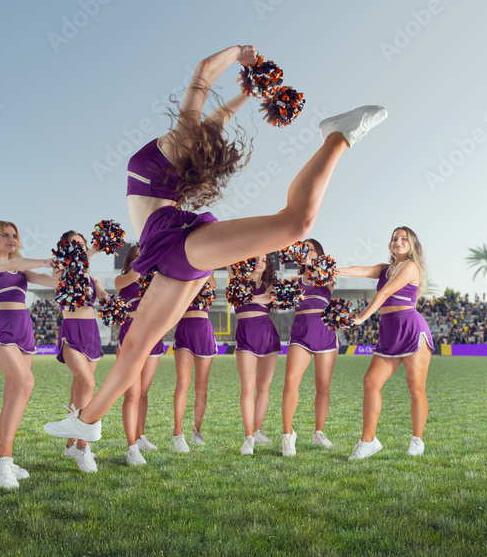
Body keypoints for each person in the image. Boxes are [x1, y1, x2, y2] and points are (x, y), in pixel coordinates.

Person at [44, 44, 387, 443]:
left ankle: (338, 135)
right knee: (137, 343)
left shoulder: (178, 144)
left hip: (176, 241)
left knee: (296, 223)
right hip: (171, 244)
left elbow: (208, 84)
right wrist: (244, 61)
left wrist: (245, 70)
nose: (209, 132)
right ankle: (87, 420)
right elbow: (205, 75)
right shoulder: (182, 137)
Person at [340, 226, 434, 459]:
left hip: (411, 329)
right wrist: (333, 270)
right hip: (389, 330)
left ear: (412, 245)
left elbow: (384, 294)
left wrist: (362, 317)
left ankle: (417, 440)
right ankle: (368, 441)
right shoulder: (385, 268)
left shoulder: (411, 267)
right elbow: (361, 270)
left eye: (404, 239)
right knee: (371, 381)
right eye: (395, 238)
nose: (398, 242)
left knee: (415, 388)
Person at [0, 220, 54, 489]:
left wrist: (72, 266)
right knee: (26, 382)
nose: (11, 239)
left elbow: (49, 281)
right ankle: (4, 460)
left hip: (24, 329)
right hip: (1, 327)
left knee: (14, 394)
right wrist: (45, 260)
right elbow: (6, 266)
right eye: (5, 235)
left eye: (14, 235)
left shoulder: (22, 268)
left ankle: (0, 454)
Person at [53, 230, 107, 473]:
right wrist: (94, 248)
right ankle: (83, 448)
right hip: (71, 331)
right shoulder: (60, 271)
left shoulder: (93, 279)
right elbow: (72, 265)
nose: (79, 247)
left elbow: (104, 298)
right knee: (87, 383)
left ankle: (70, 445)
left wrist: (112, 302)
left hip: (91, 333)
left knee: (79, 388)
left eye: (82, 244)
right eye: (74, 244)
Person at [281, 239, 339, 456]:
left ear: (319, 254)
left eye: (311, 249)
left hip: (325, 336)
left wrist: (315, 265)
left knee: (323, 386)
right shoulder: (294, 280)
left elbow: (327, 273)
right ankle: (288, 435)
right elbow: (281, 300)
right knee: (291, 380)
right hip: (301, 336)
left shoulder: (328, 279)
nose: (307, 252)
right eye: (303, 249)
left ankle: (319, 432)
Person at [115, 245, 166, 465]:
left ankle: (140, 435)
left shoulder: (155, 281)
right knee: (132, 394)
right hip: (130, 335)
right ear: (129, 260)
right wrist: (149, 258)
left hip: (152, 335)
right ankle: (131, 447)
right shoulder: (122, 279)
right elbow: (135, 273)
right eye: (136, 256)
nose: (140, 260)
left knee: (144, 392)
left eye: (143, 256)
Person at [228, 254, 280, 455]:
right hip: (246, 333)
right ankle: (248, 437)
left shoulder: (270, 284)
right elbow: (227, 255)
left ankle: (258, 430)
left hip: (267, 334)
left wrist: (246, 296)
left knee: (264, 386)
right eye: (256, 258)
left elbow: (268, 297)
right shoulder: (236, 279)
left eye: (264, 259)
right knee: (247, 387)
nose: (260, 262)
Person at [172, 275, 217, 452]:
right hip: (184, 328)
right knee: (182, 383)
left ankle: (197, 431)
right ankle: (178, 432)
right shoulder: (180, 277)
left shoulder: (210, 280)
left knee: (201, 387)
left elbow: (209, 273)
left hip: (204, 330)